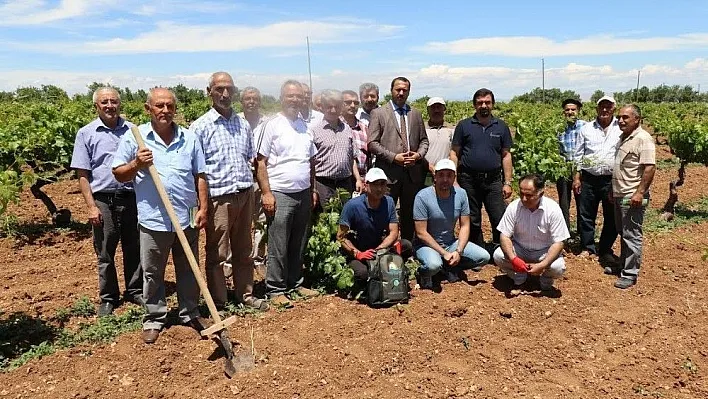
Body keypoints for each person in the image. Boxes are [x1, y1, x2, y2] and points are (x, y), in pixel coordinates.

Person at [112, 88, 207, 344]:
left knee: (188, 268)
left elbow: (200, 175)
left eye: (169, 106)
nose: (165, 110)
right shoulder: (136, 138)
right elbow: (119, 173)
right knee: (153, 272)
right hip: (153, 219)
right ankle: (154, 317)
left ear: (175, 109)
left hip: (186, 215)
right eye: (159, 106)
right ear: (148, 108)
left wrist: (203, 207)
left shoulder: (190, 138)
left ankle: (191, 312)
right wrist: (136, 164)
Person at [189, 72, 268, 312]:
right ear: (209, 92)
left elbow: (250, 160)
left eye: (229, 90)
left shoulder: (242, 124)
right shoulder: (200, 127)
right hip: (218, 199)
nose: (225, 94)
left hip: (243, 195)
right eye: (219, 89)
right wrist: (201, 205)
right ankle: (219, 302)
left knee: (244, 250)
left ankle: (245, 294)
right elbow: (196, 171)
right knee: (218, 253)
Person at [70, 87, 142, 316]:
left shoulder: (132, 130)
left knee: (134, 246)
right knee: (105, 250)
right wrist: (91, 206)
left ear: (120, 104)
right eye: (105, 102)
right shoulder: (86, 133)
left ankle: (135, 290)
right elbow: (83, 174)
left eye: (114, 101)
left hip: (131, 196)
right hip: (102, 199)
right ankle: (109, 297)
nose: (110, 105)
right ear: (96, 106)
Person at [254, 80, 320, 307]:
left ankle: (295, 282)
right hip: (280, 192)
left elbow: (311, 162)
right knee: (279, 243)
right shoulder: (271, 125)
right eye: (290, 96)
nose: (295, 100)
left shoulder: (304, 126)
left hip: (302, 192)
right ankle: (275, 288)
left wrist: (312, 190)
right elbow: (260, 162)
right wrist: (266, 193)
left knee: (298, 241)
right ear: (282, 98)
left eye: (299, 97)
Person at [450, 88, 513, 249]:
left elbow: (506, 155)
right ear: (474, 105)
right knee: (472, 217)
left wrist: (507, 182)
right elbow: (455, 153)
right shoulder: (464, 126)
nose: (483, 105)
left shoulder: (501, 126)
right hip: (468, 179)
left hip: (493, 180)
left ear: (493, 104)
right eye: (480, 103)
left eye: (487, 102)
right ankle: (476, 251)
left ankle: (500, 250)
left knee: (498, 215)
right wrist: (454, 180)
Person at [413, 159, 490, 289]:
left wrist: (458, 251)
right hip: (426, 245)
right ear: (435, 177)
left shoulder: (461, 194)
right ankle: (423, 272)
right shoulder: (422, 197)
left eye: (449, 175)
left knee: (483, 257)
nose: (445, 179)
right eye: (441, 175)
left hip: (450, 243)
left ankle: (449, 266)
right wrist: (444, 253)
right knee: (433, 266)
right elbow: (421, 233)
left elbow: (465, 225)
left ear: (454, 177)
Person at [368, 76, 428, 241]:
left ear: (409, 92)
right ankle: (383, 251)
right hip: (388, 175)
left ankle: (407, 249)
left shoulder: (415, 114)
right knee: (384, 213)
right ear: (391, 91)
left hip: (411, 175)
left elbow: (424, 140)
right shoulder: (379, 113)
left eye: (405, 90)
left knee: (409, 214)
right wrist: (394, 157)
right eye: (398, 89)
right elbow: (372, 143)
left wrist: (418, 155)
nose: (401, 93)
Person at [337, 168, 413, 290]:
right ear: (366, 186)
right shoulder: (352, 206)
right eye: (375, 184)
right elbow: (341, 237)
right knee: (363, 274)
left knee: (406, 245)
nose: (379, 189)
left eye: (382, 184)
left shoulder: (388, 202)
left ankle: (388, 271)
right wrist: (358, 254)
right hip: (358, 251)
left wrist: (380, 249)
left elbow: (393, 232)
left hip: (378, 248)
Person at [493, 174, 569, 292]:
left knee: (558, 267)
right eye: (521, 194)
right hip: (520, 249)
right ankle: (519, 278)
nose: (523, 199)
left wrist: (543, 264)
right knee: (498, 255)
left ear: (541, 194)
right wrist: (513, 259)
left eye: (528, 195)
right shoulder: (514, 207)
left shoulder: (553, 209)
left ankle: (545, 282)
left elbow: (559, 242)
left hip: (544, 251)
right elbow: (504, 235)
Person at [608, 104, 656, 289]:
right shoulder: (624, 137)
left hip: (632, 195)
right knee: (623, 232)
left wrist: (640, 192)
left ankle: (630, 273)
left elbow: (650, 167)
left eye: (626, 117)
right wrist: (614, 189)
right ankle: (623, 265)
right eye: (619, 117)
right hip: (621, 193)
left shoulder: (643, 139)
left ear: (637, 119)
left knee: (632, 234)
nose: (621, 120)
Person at [573, 95, 621, 264]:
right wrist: (576, 178)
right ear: (597, 109)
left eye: (608, 106)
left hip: (611, 179)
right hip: (589, 178)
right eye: (602, 106)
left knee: (611, 216)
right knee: (586, 214)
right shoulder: (586, 128)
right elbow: (578, 154)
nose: (605, 110)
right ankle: (587, 247)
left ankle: (605, 249)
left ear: (613, 108)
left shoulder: (620, 127)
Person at [311, 89, 363, 208]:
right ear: (322, 107)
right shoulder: (315, 131)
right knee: (325, 220)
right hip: (323, 183)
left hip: (345, 183)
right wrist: (313, 189)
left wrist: (358, 179)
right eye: (329, 106)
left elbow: (352, 157)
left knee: (345, 218)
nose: (333, 110)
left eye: (337, 106)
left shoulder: (347, 129)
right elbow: (311, 163)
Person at [238, 86, 269, 266]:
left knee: (262, 220)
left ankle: (258, 260)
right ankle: (232, 263)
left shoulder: (268, 123)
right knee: (238, 223)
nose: (251, 102)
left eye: (255, 98)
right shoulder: (235, 121)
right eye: (248, 99)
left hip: (262, 179)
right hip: (241, 180)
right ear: (241, 102)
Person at [556, 98, 586, 235]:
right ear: (563, 112)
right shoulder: (558, 128)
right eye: (567, 109)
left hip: (580, 169)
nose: (570, 112)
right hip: (563, 169)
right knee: (564, 202)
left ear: (578, 111)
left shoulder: (585, 127)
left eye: (573, 109)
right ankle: (565, 232)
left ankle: (581, 232)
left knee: (582, 201)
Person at [423, 97, 454, 186]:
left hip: (445, 175)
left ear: (444, 109)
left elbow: (454, 152)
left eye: (439, 107)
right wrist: (429, 166)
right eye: (433, 107)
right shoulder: (421, 128)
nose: (436, 110)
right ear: (428, 110)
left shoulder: (451, 129)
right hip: (424, 174)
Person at [341, 90, 369, 178]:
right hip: (343, 179)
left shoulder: (364, 128)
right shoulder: (335, 126)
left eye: (356, 103)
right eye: (348, 102)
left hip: (363, 178)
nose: (353, 106)